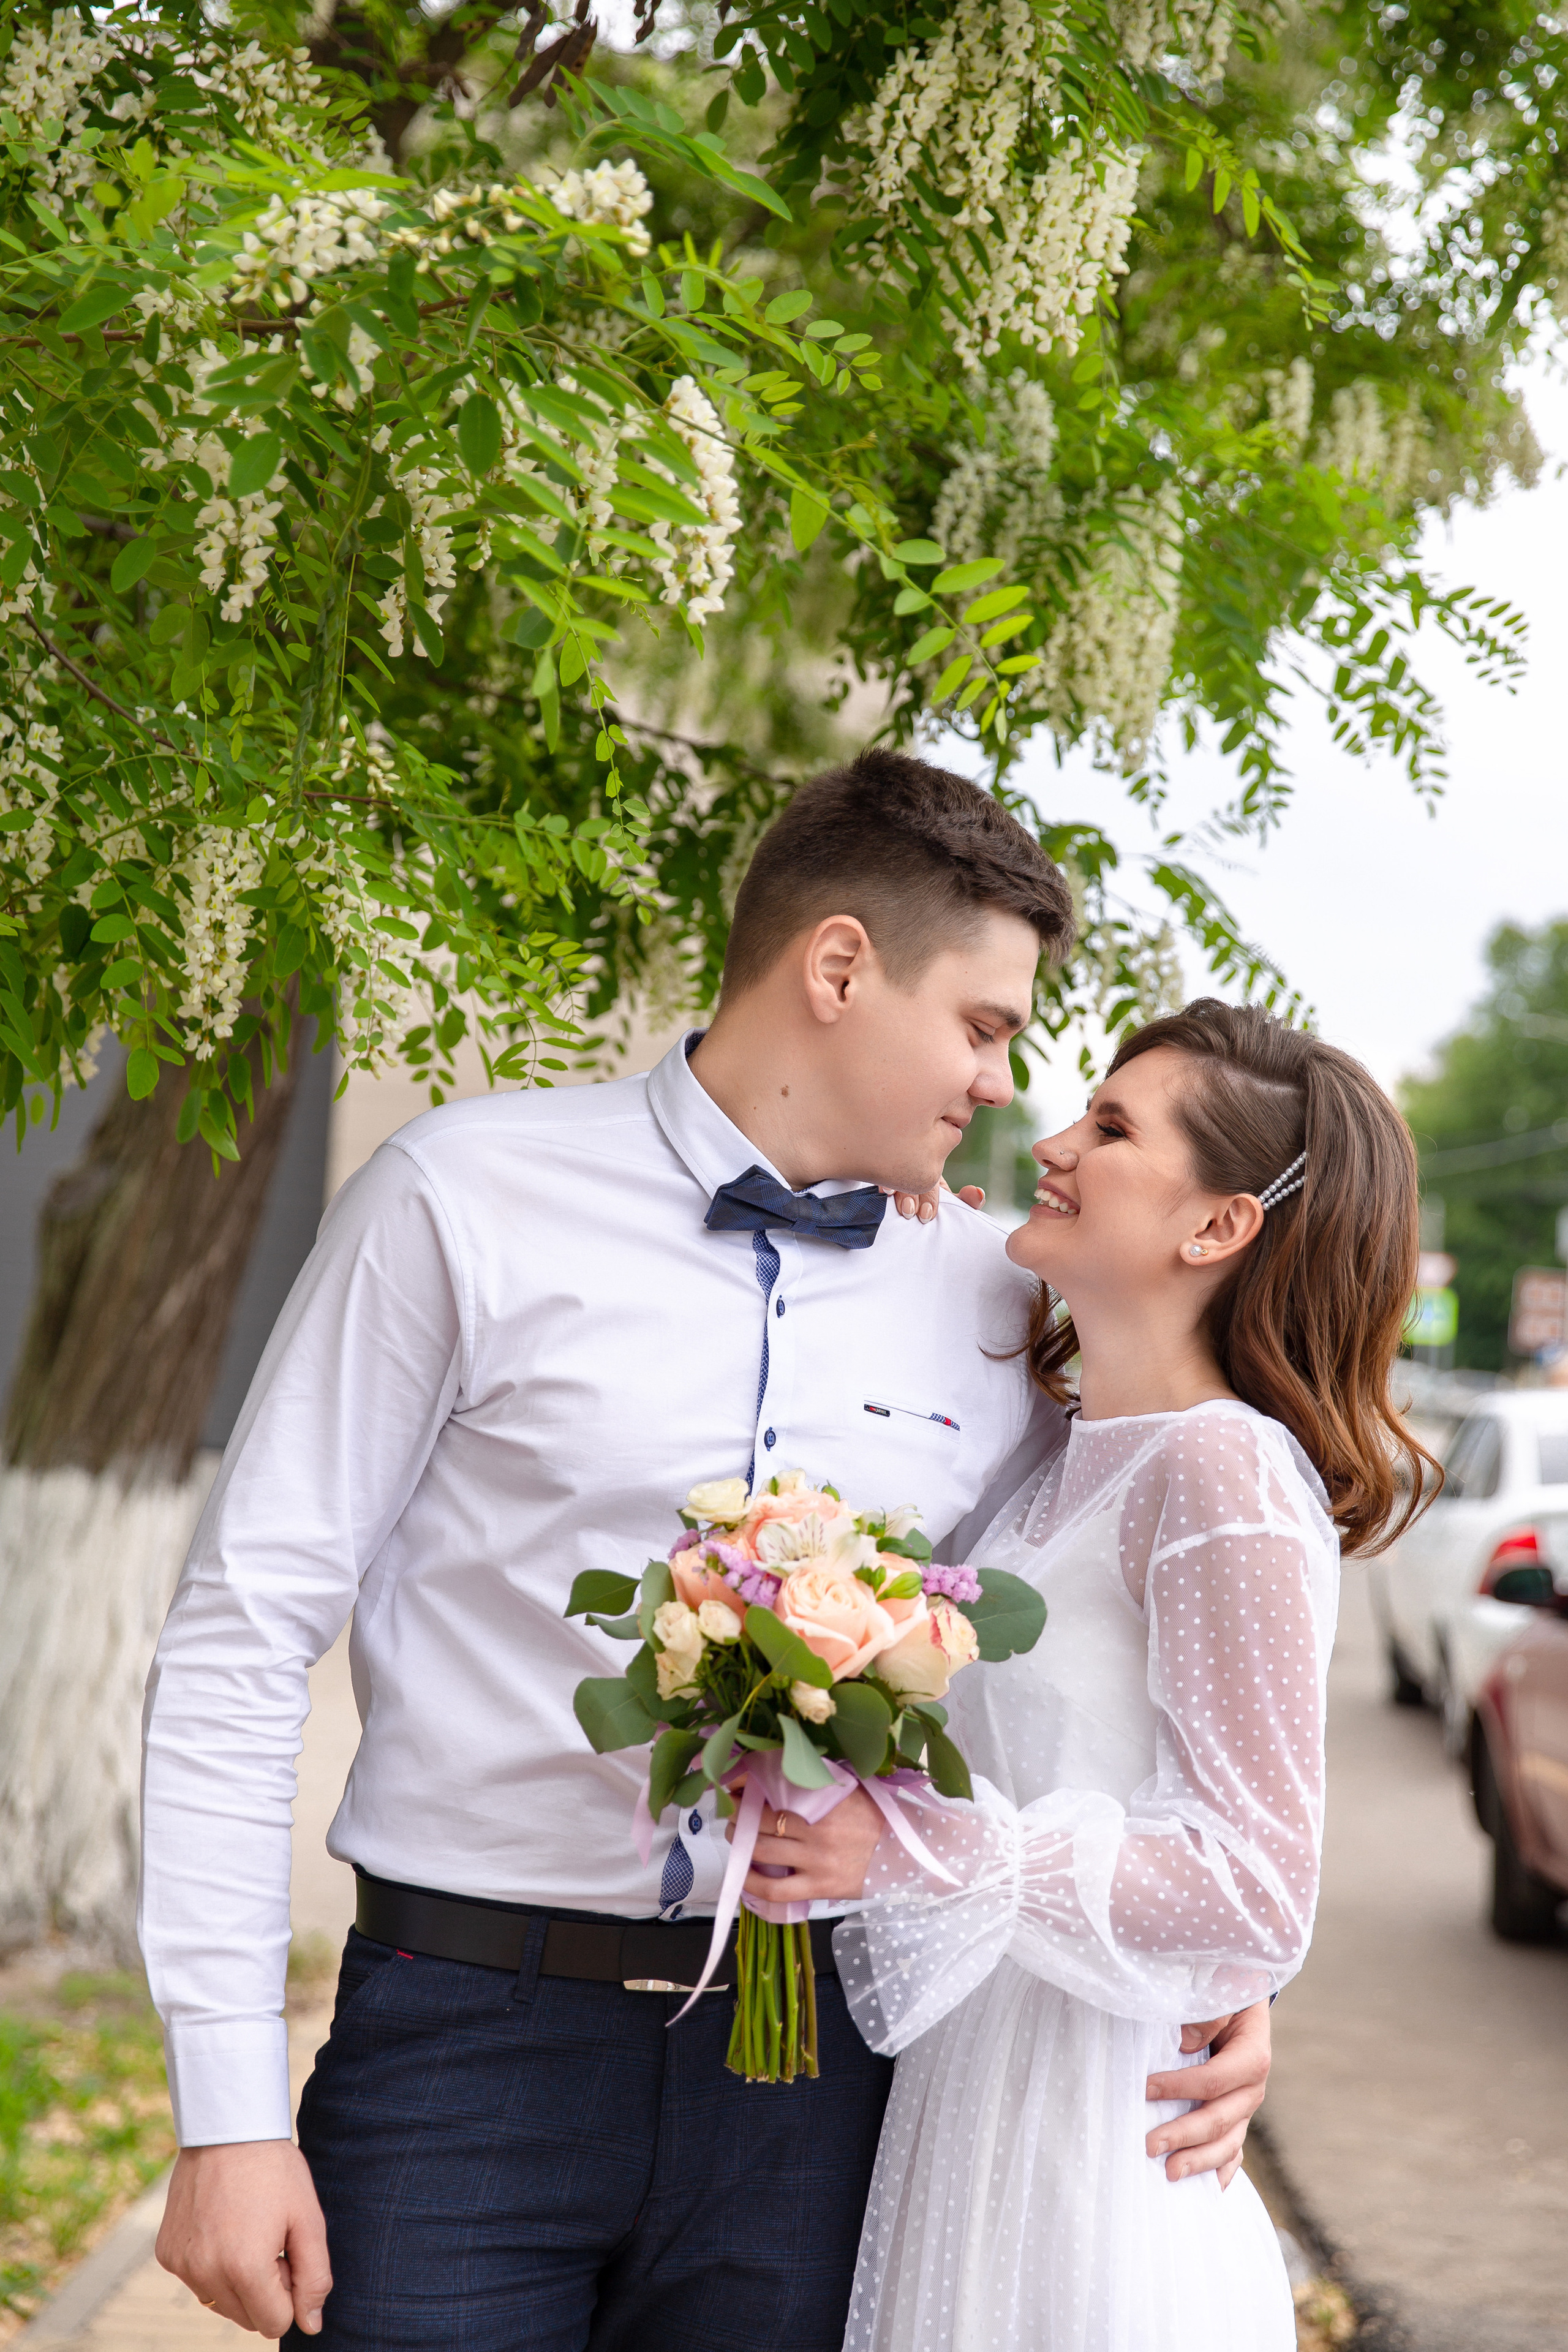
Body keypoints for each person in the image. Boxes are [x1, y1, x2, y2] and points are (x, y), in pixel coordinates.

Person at [141, 752, 1273, 2350]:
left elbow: (1096, 1663)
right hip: (468, 2042)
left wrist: (1208, 1964)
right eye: (982, 1025)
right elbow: (241, 1633)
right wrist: (224, 2107)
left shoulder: (1006, 1300)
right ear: (838, 969)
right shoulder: (462, 1197)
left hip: (821, 2070)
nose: (999, 1084)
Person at [742, 1000, 1434, 2351]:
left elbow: (1253, 1886)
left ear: (1217, 1226)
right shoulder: (1065, 1455)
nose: (1053, 1142)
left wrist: (917, 1851)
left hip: (1093, 2126)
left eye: (1111, 1129)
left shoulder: (1221, 1471)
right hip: (983, 2083)